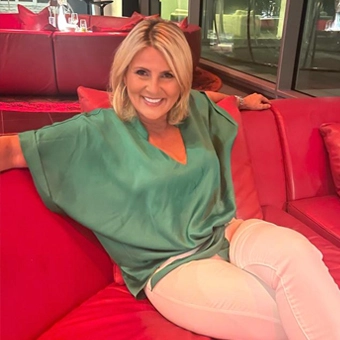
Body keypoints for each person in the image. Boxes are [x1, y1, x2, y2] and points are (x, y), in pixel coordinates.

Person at [1, 18, 339, 340]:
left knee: (300, 255)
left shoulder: (191, 106)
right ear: (124, 74)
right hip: (172, 267)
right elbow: (13, 150)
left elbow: (210, 97)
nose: (153, 88)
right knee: (293, 313)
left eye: (168, 75)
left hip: (229, 230)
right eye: (142, 73)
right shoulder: (96, 130)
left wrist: (241, 100)